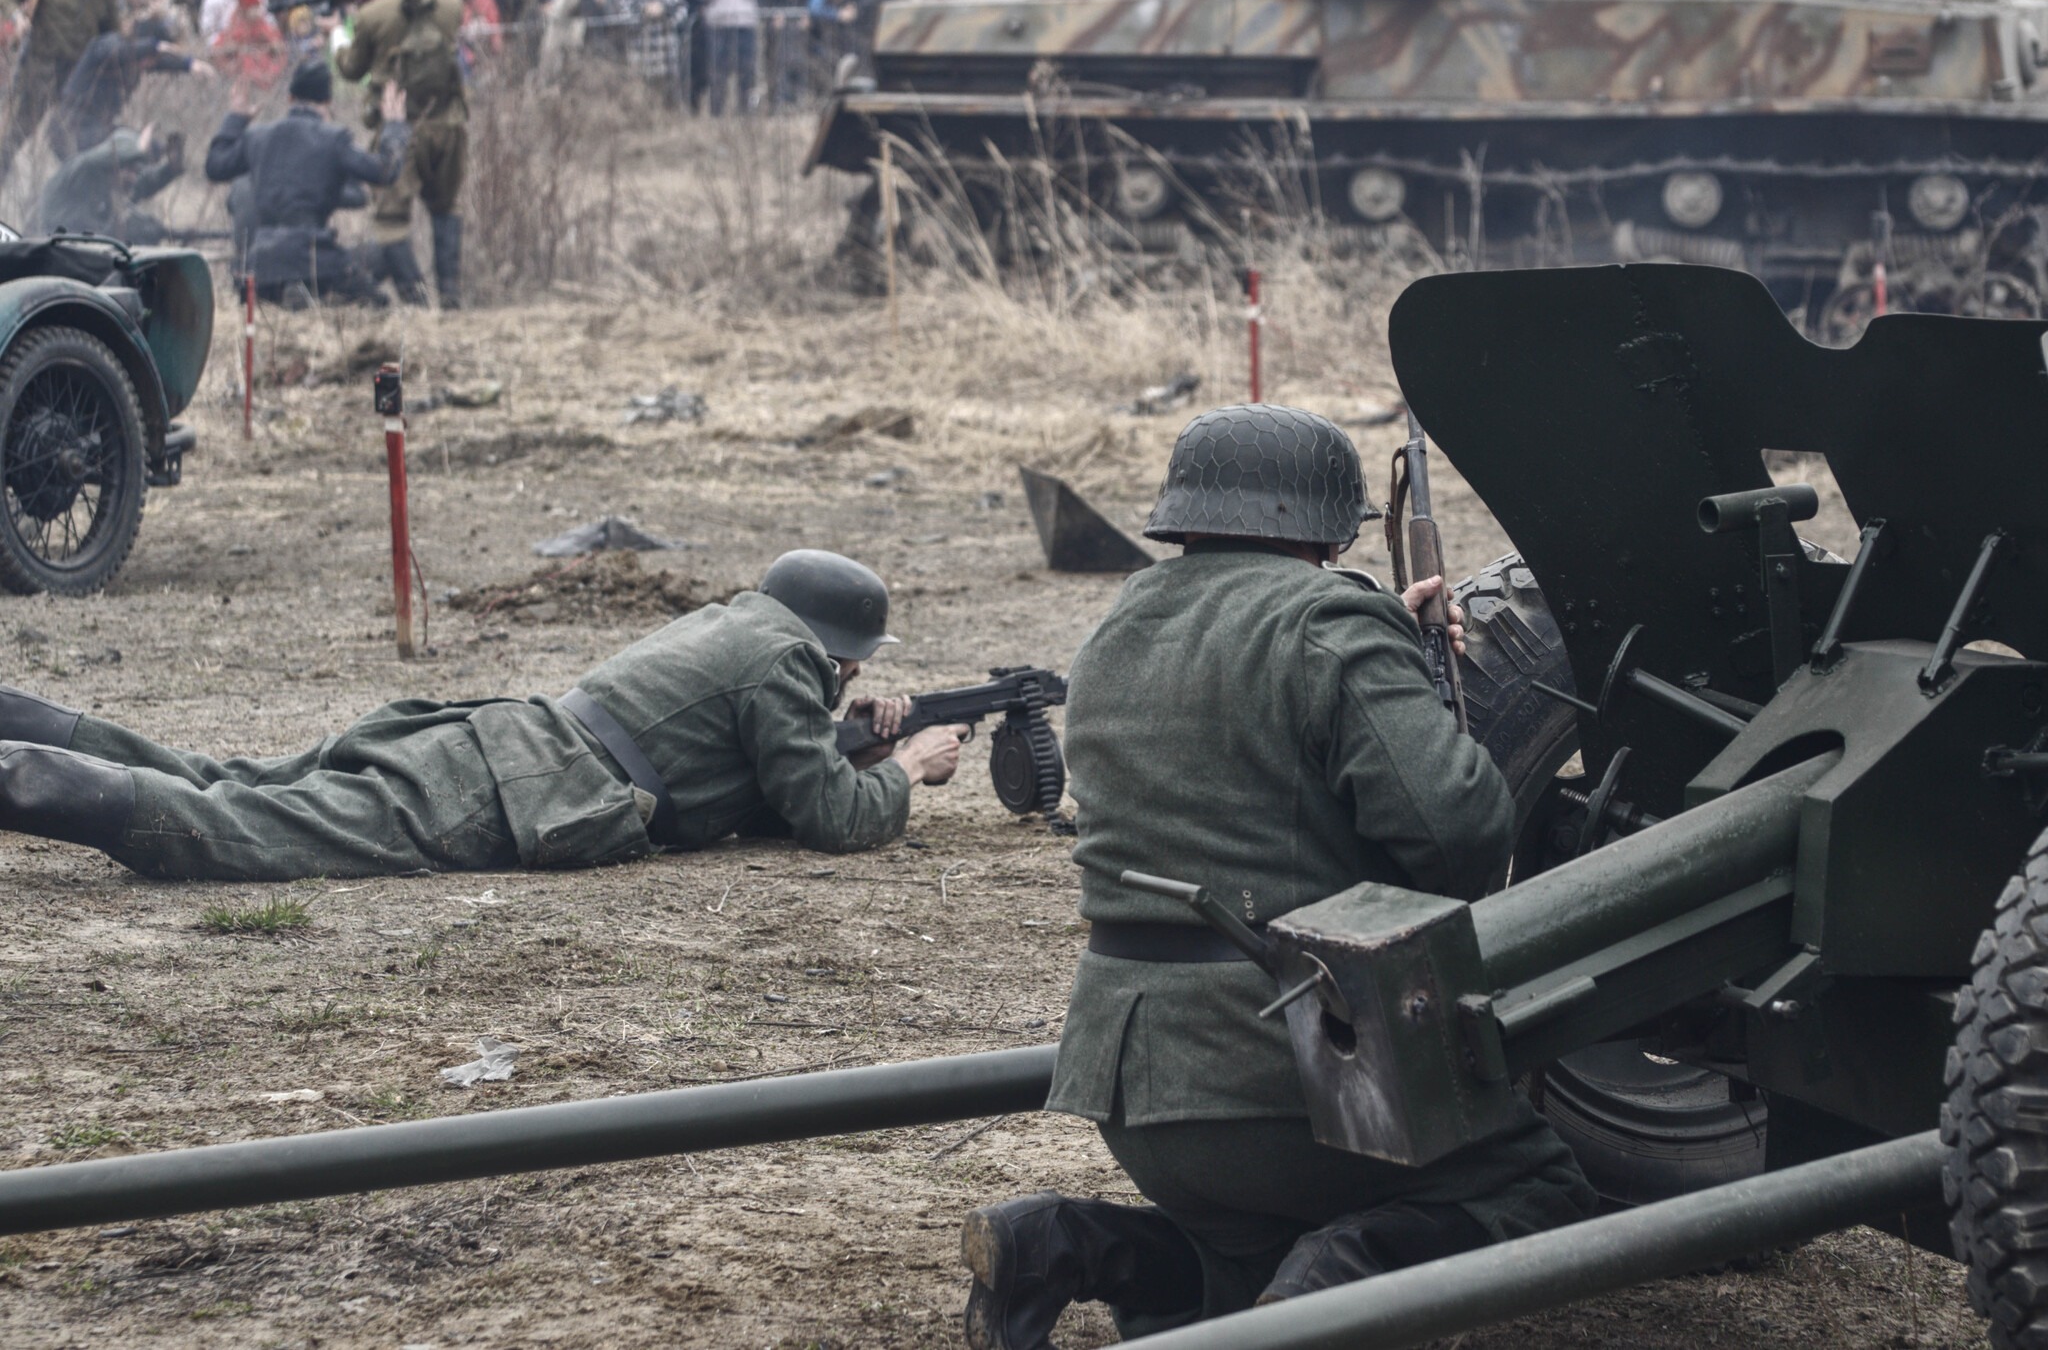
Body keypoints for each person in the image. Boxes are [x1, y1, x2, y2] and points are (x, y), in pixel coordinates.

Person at [958, 406, 1598, 1349]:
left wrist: (1395, 649)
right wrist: (1417, 679)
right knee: (1546, 1195)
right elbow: (1458, 835)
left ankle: (1064, 1243)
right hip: (1294, 1079)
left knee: (1253, 1254)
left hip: (1133, 1089)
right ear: (1330, 524)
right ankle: (1347, 1277)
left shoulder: (1119, 628)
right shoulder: (1334, 620)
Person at [0, 550, 968, 880]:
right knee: (251, 826)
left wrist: (851, 734)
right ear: (838, 650)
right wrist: (906, 770)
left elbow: (753, 772)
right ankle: (31, 778)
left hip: (494, 736)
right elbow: (828, 820)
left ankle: (29, 722)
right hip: (517, 787)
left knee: (236, 779)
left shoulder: (742, 627)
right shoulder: (786, 668)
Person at [204, 58, 409, 306]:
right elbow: (385, 172)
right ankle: (313, 295)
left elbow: (215, 167)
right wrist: (395, 128)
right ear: (328, 102)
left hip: (261, 263)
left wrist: (235, 118)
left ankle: (292, 293)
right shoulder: (334, 139)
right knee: (385, 270)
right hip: (316, 259)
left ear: (290, 98)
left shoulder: (257, 137)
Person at [335, 0, 466, 307]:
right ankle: (450, 294)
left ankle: (415, 299)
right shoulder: (450, 4)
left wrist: (339, 36)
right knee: (446, 207)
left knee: (391, 218)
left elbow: (352, 69)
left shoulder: (371, 15)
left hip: (398, 128)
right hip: (448, 124)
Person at [49, 22, 217, 160]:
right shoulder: (108, 45)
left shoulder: (136, 61)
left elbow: (159, 62)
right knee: (129, 150)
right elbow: (119, 52)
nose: (151, 64)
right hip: (71, 124)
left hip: (97, 127)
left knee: (151, 148)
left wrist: (189, 64)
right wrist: (153, 46)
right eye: (151, 56)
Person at [0, 0, 121, 184]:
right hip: (39, 74)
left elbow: (113, 38)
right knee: (10, 141)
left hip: (76, 86)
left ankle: (65, 202)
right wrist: (17, 18)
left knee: (73, 148)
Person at [37, 122, 184, 241]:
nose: (133, 176)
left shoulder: (112, 183)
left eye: (136, 171)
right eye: (129, 169)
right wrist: (137, 150)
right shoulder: (84, 170)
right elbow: (84, 227)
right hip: (53, 243)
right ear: (114, 161)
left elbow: (144, 182)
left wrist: (169, 169)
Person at [211, 0, 286, 87]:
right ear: (245, 9)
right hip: (242, 72)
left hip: (264, 68)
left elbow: (276, 41)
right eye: (253, 8)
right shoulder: (235, 25)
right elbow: (220, 47)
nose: (257, 11)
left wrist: (271, 47)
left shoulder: (263, 24)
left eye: (257, 7)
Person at [702, 0, 756, 115]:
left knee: (747, 71)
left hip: (744, 21)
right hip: (717, 21)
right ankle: (716, 114)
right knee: (717, 72)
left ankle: (747, 115)